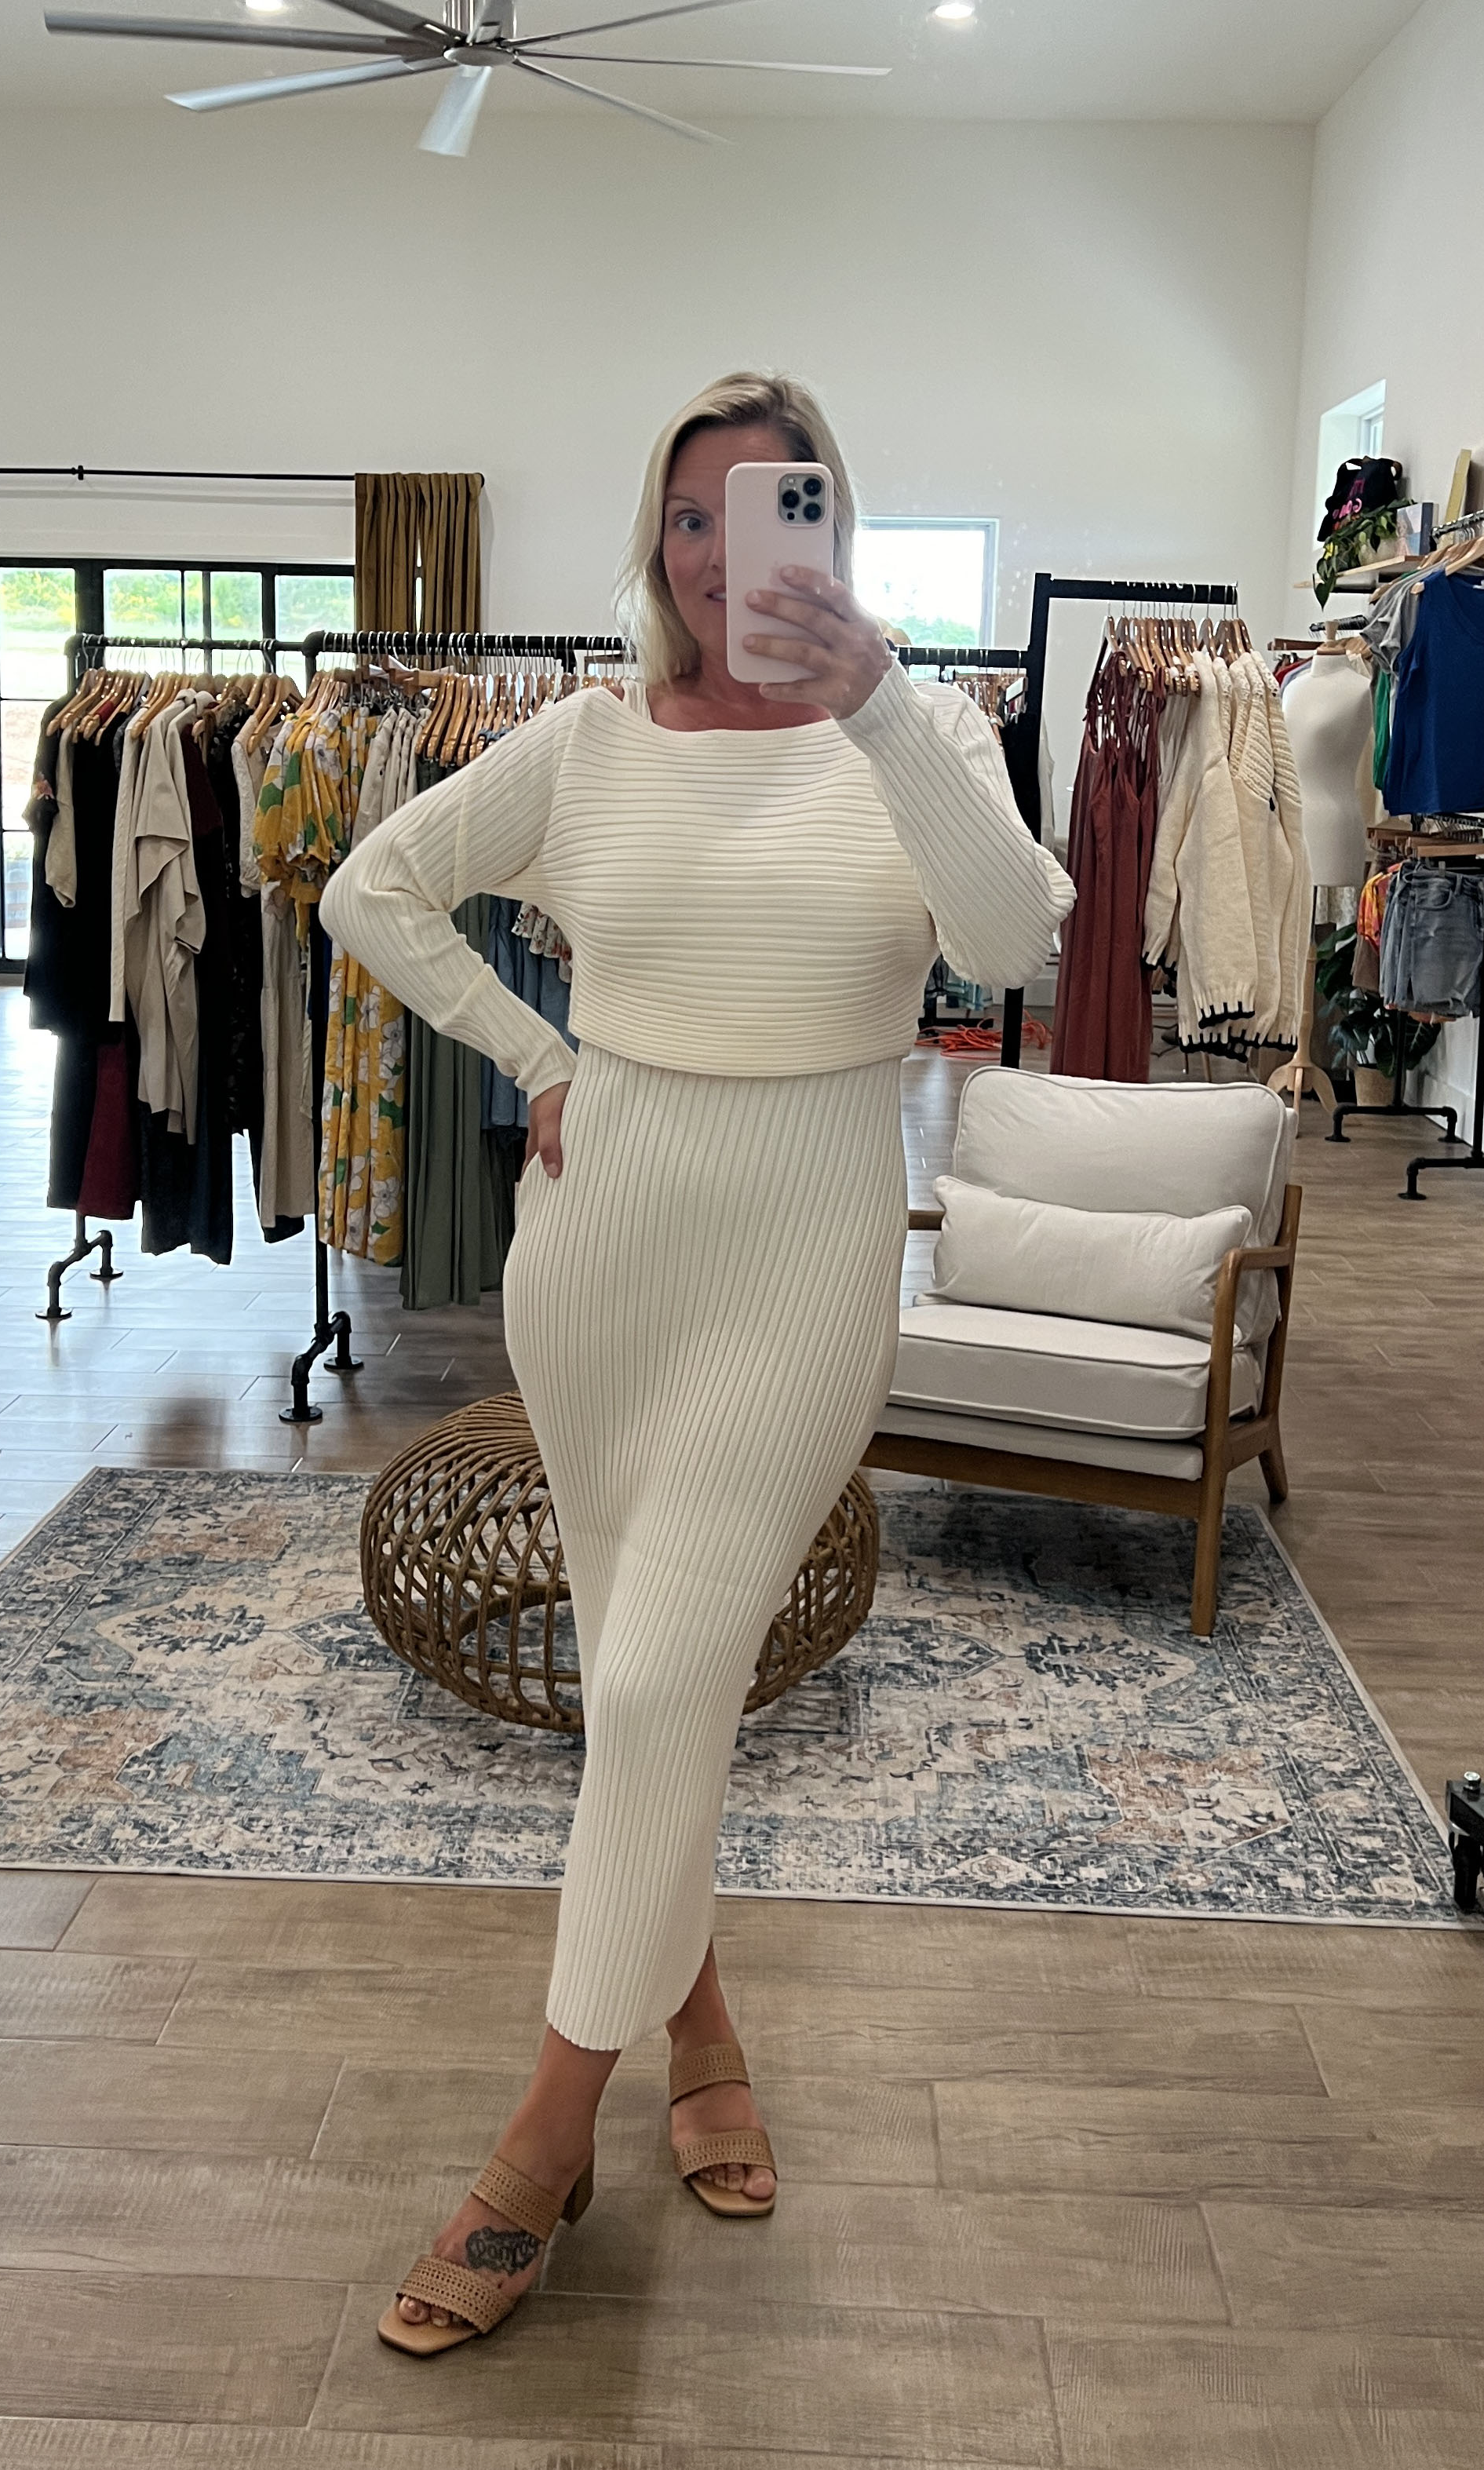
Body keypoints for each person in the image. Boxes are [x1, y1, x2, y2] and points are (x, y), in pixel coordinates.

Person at [320, 370, 1074, 2357]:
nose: (723, 555)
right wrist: (536, 1050)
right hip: (600, 1254)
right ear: (655, 545)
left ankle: (540, 2140)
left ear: (831, 522)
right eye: (687, 516)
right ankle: (702, 2020)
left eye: (766, 508)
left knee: (659, 1674)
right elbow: (366, 886)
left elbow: (1014, 938)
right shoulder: (585, 741)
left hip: (807, 1251)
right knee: (642, 1691)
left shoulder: (924, 731)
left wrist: (876, 700)